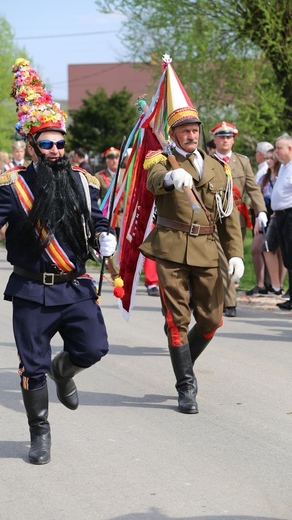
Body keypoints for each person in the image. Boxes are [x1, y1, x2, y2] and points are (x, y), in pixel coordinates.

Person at [0, 58, 117, 465]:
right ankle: (40, 434)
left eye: (60, 143)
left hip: (74, 285)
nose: (55, 150)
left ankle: (63, 371)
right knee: (32, 368)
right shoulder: (12, 186)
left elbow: (97, 217)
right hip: (32, 288)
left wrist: (105, 235)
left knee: (94, 348)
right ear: (32, 147)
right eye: (47, 144)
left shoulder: (83, 181)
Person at [139, 106, 244, 414]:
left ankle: (184, 361)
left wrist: (235, 252)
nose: (191, 134)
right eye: (184, 130)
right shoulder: (161, 161)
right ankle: (185, 386)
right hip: (171, 248)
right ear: (172, 135)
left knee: (212, 319)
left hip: (209, 249)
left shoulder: (216, 167)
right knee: (176, 321)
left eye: (195, 130)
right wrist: (172, 176)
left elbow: (228, 216)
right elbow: (154, 181)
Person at [210, 121, 267, 317]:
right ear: (214, 139)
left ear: (233, 140)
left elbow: (252, 188)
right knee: (218, 260)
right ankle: (228, 301)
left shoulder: (242, 161)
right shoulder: (207, 161)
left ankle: (226, 299)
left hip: (237, 217)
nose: (225, 140)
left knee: (234, 259)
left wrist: (261, 211)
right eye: (221, 136)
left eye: (229, 137)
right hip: (213, 216)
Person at [245, 150, 285, 295]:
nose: (267, 161)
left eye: (271, 158)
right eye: (267, 158)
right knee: (257, 247)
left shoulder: (283, 175)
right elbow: (257, 198)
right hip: (264, 215)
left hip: (278, 214)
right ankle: (261, 284)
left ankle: (278, 285)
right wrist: (257, 217)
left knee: (280, 250)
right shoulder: (264, 177)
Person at [270, 134, 292, 310]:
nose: (276, 151)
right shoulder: (285, 166)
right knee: (287, 256)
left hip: (290, 215)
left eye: (279, 148)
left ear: (290, 149)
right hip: (281, 215)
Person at [95, 147, 122, 279]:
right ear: (106, 160)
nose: (114, 160)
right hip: (109, 216)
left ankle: (127, 274)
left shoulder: (126, 174)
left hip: (125, 215)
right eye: (110, 157)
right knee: (112, 245)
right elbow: (95, 198)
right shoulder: (100, 177)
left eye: (116, 157)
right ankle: (116, 276)